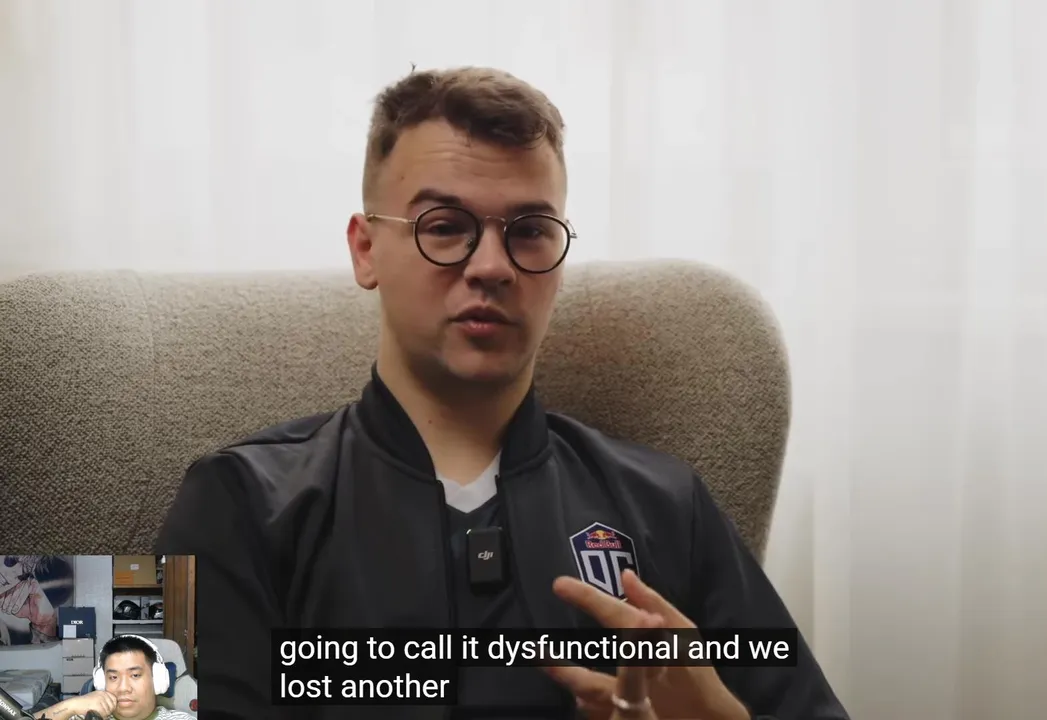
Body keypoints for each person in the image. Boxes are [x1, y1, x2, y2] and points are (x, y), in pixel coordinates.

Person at [156, 66, 848, 719]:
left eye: (531, 232)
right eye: (445, 227)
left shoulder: (669, 504)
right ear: (365, 250)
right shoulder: (230, 497)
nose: (491, 266)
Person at [37, 634, 195, 719]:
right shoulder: (84, 717)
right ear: (101, 682)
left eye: (135, 675)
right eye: (113, 677)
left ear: (157, 680)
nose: (123, 688)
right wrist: (70, 706)